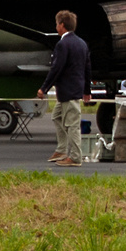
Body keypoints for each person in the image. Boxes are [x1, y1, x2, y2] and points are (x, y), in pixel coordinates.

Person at [38, 9, 91, 167]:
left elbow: (56, 68)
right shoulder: (82, 43)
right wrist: (87, 91)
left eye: (56, 24)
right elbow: (87, 69)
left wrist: (44, 88)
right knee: (57, 117)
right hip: (73, 90)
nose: (56, 27)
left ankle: (75, 157)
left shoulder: (62, 44)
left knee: (72, 124)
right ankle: (61, 149)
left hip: (68, 91)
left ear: (62, 25)